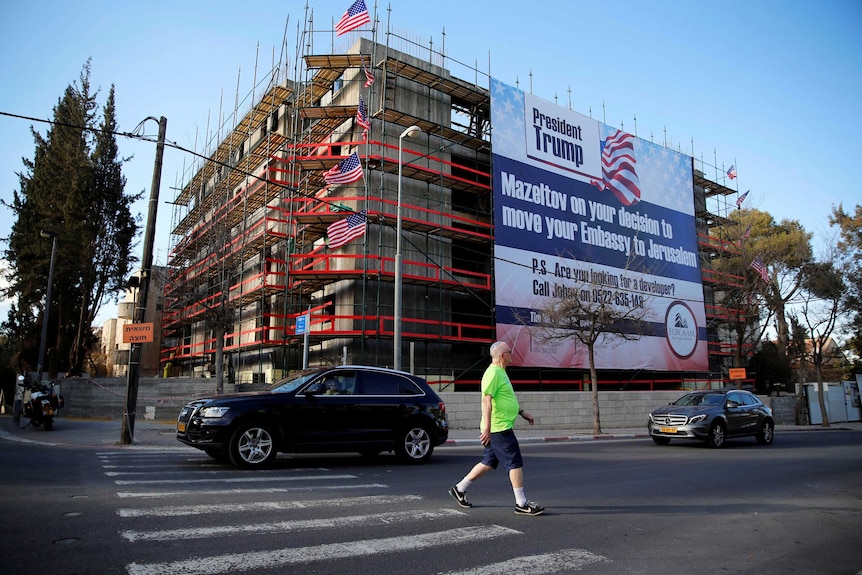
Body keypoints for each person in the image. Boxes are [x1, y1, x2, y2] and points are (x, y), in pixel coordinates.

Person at [448, 341, 545, 516]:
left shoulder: (501, 372)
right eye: (509, 351)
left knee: (489, 462)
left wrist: (522, 412)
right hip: (498, 428)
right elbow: (487, 400)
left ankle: (459, 488)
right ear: (502, 355)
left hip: (498, 426)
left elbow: (504, 399)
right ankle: (521, 503)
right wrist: (487, 428)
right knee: (514, 462)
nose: (512, 353)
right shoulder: (492, 373)